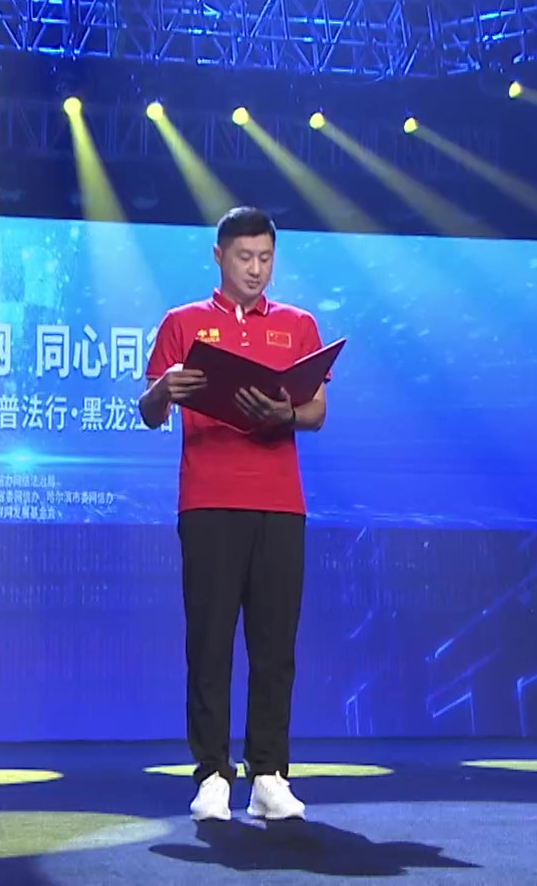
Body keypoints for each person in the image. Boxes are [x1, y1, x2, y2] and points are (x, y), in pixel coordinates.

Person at [140, 206, 327, 823]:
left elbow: (317, 411)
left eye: (265, 258)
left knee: (275, 646)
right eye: (245, 257)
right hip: (209, 502)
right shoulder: (183, 323)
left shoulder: (298, 325)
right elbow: (150, 412)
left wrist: (285, 415)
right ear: (219, 257)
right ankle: (213, 775)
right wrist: (162, 390)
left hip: (281, 504)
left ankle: (269, 775)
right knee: (210, 642)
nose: (256, 269)